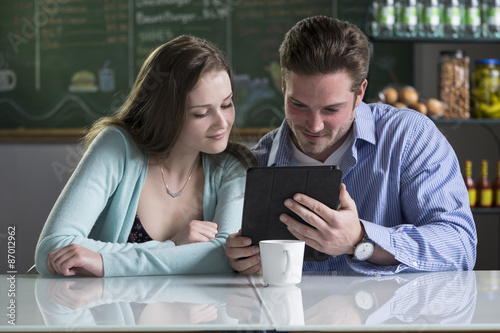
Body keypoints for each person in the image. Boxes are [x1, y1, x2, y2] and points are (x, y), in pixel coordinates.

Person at [225, 16, 477, 275]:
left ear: (360, 93)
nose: (314, 125)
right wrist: (235, 261)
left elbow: (460, 247)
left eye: (332, 109)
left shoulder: (409, 137)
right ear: (283, 85)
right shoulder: (255, 162)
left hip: (388, 314)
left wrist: (360, 240)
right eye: (299, 105)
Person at [35, 35, 255, 277]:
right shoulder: (116, 146)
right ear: (166, 114)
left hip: (192, 313)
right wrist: (172, 248)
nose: (223, 123)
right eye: (201, 114)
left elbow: (227, 257)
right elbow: (53, 248)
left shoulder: (233, 167)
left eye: (227, 104)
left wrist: (105, 262)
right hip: (106, 312)